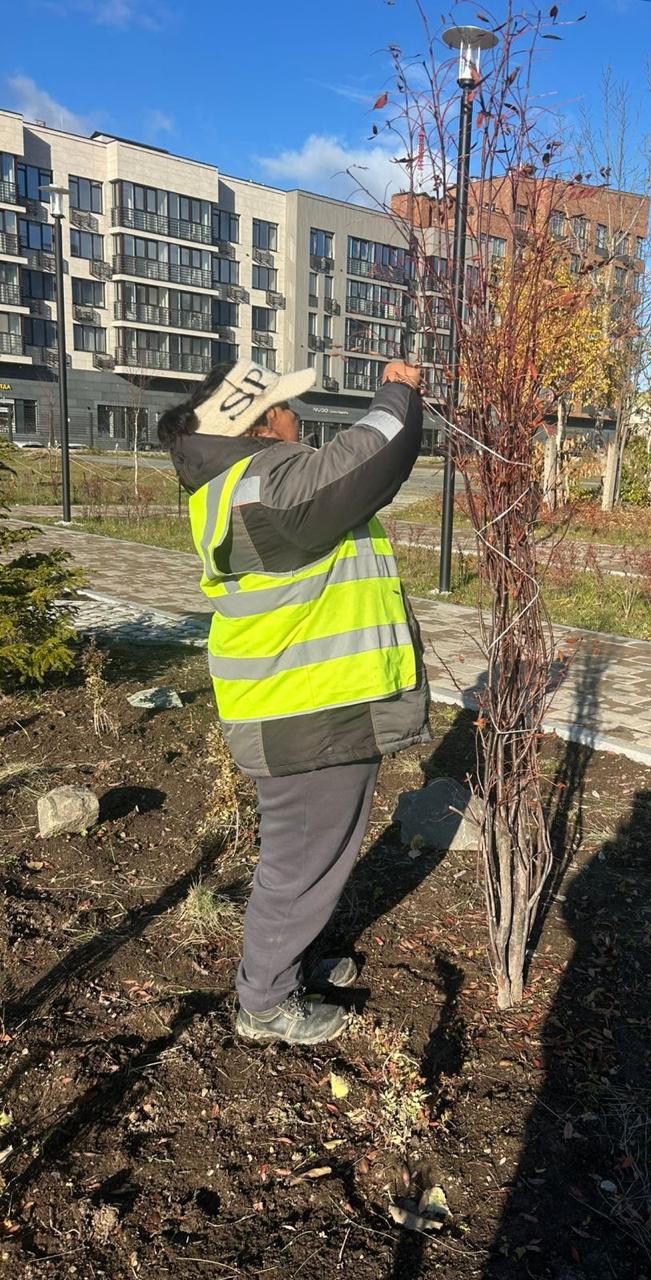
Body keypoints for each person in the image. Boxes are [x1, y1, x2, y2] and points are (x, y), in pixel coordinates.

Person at [158, 358, 430, 1046]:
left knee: (314, 855)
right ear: (252, 426)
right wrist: (398, 390)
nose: (294, 418)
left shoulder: (247, 485)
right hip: (304, 714)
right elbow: (372, 453)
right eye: (281, 410)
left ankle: (287, 963)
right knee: (300, 861)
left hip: (305, 707)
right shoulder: (263, 489)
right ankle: (266, 1002)